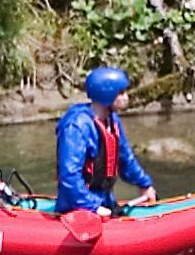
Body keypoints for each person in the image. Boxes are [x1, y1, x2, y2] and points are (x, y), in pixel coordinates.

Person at [55, 66, 155, 216]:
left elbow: (126, 159)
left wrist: (144, 184)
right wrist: (93, 206)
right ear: (106, 94)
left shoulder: (112, 121)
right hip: (77, 207)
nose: (126, 97)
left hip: (104, 200)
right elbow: (69, 176)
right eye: (121, 93)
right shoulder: (77, 126)